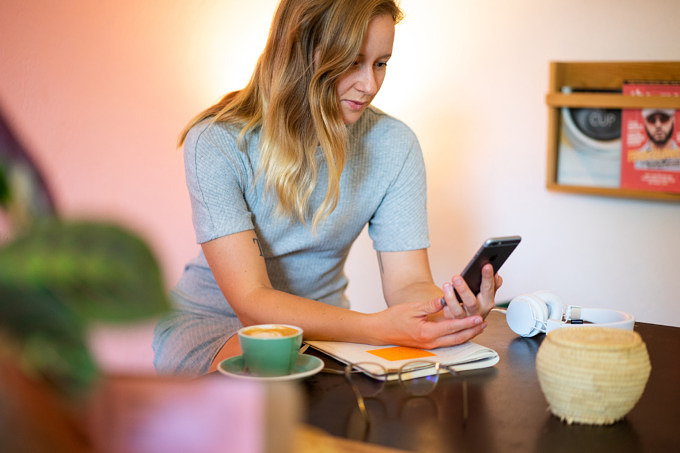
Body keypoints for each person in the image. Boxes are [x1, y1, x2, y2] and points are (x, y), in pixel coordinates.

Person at [153, 0, 502, 377]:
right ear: (300, 49)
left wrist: (446, 312)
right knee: (268, 380)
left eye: (380, 63)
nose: (370, 85)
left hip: (329, 332)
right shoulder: (216, 140)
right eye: (352, 61)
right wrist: (376, 327)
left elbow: (409, 282)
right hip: (217, 324)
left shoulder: (394, 144)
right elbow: (252, 302)